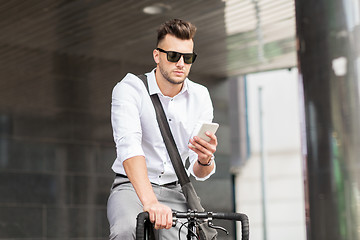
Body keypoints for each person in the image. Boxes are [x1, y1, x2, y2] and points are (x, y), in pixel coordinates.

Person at [107, 18, 218, 239]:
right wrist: (150, 202)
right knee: (127, 230)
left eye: (188, 58)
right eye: (173, 56)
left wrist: (205, 159)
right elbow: (129, 148)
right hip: (131, 188)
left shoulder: (201, 96)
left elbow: (199, 172)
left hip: (176, 189)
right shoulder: (130, 89)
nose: (181, 64)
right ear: (157, 56)